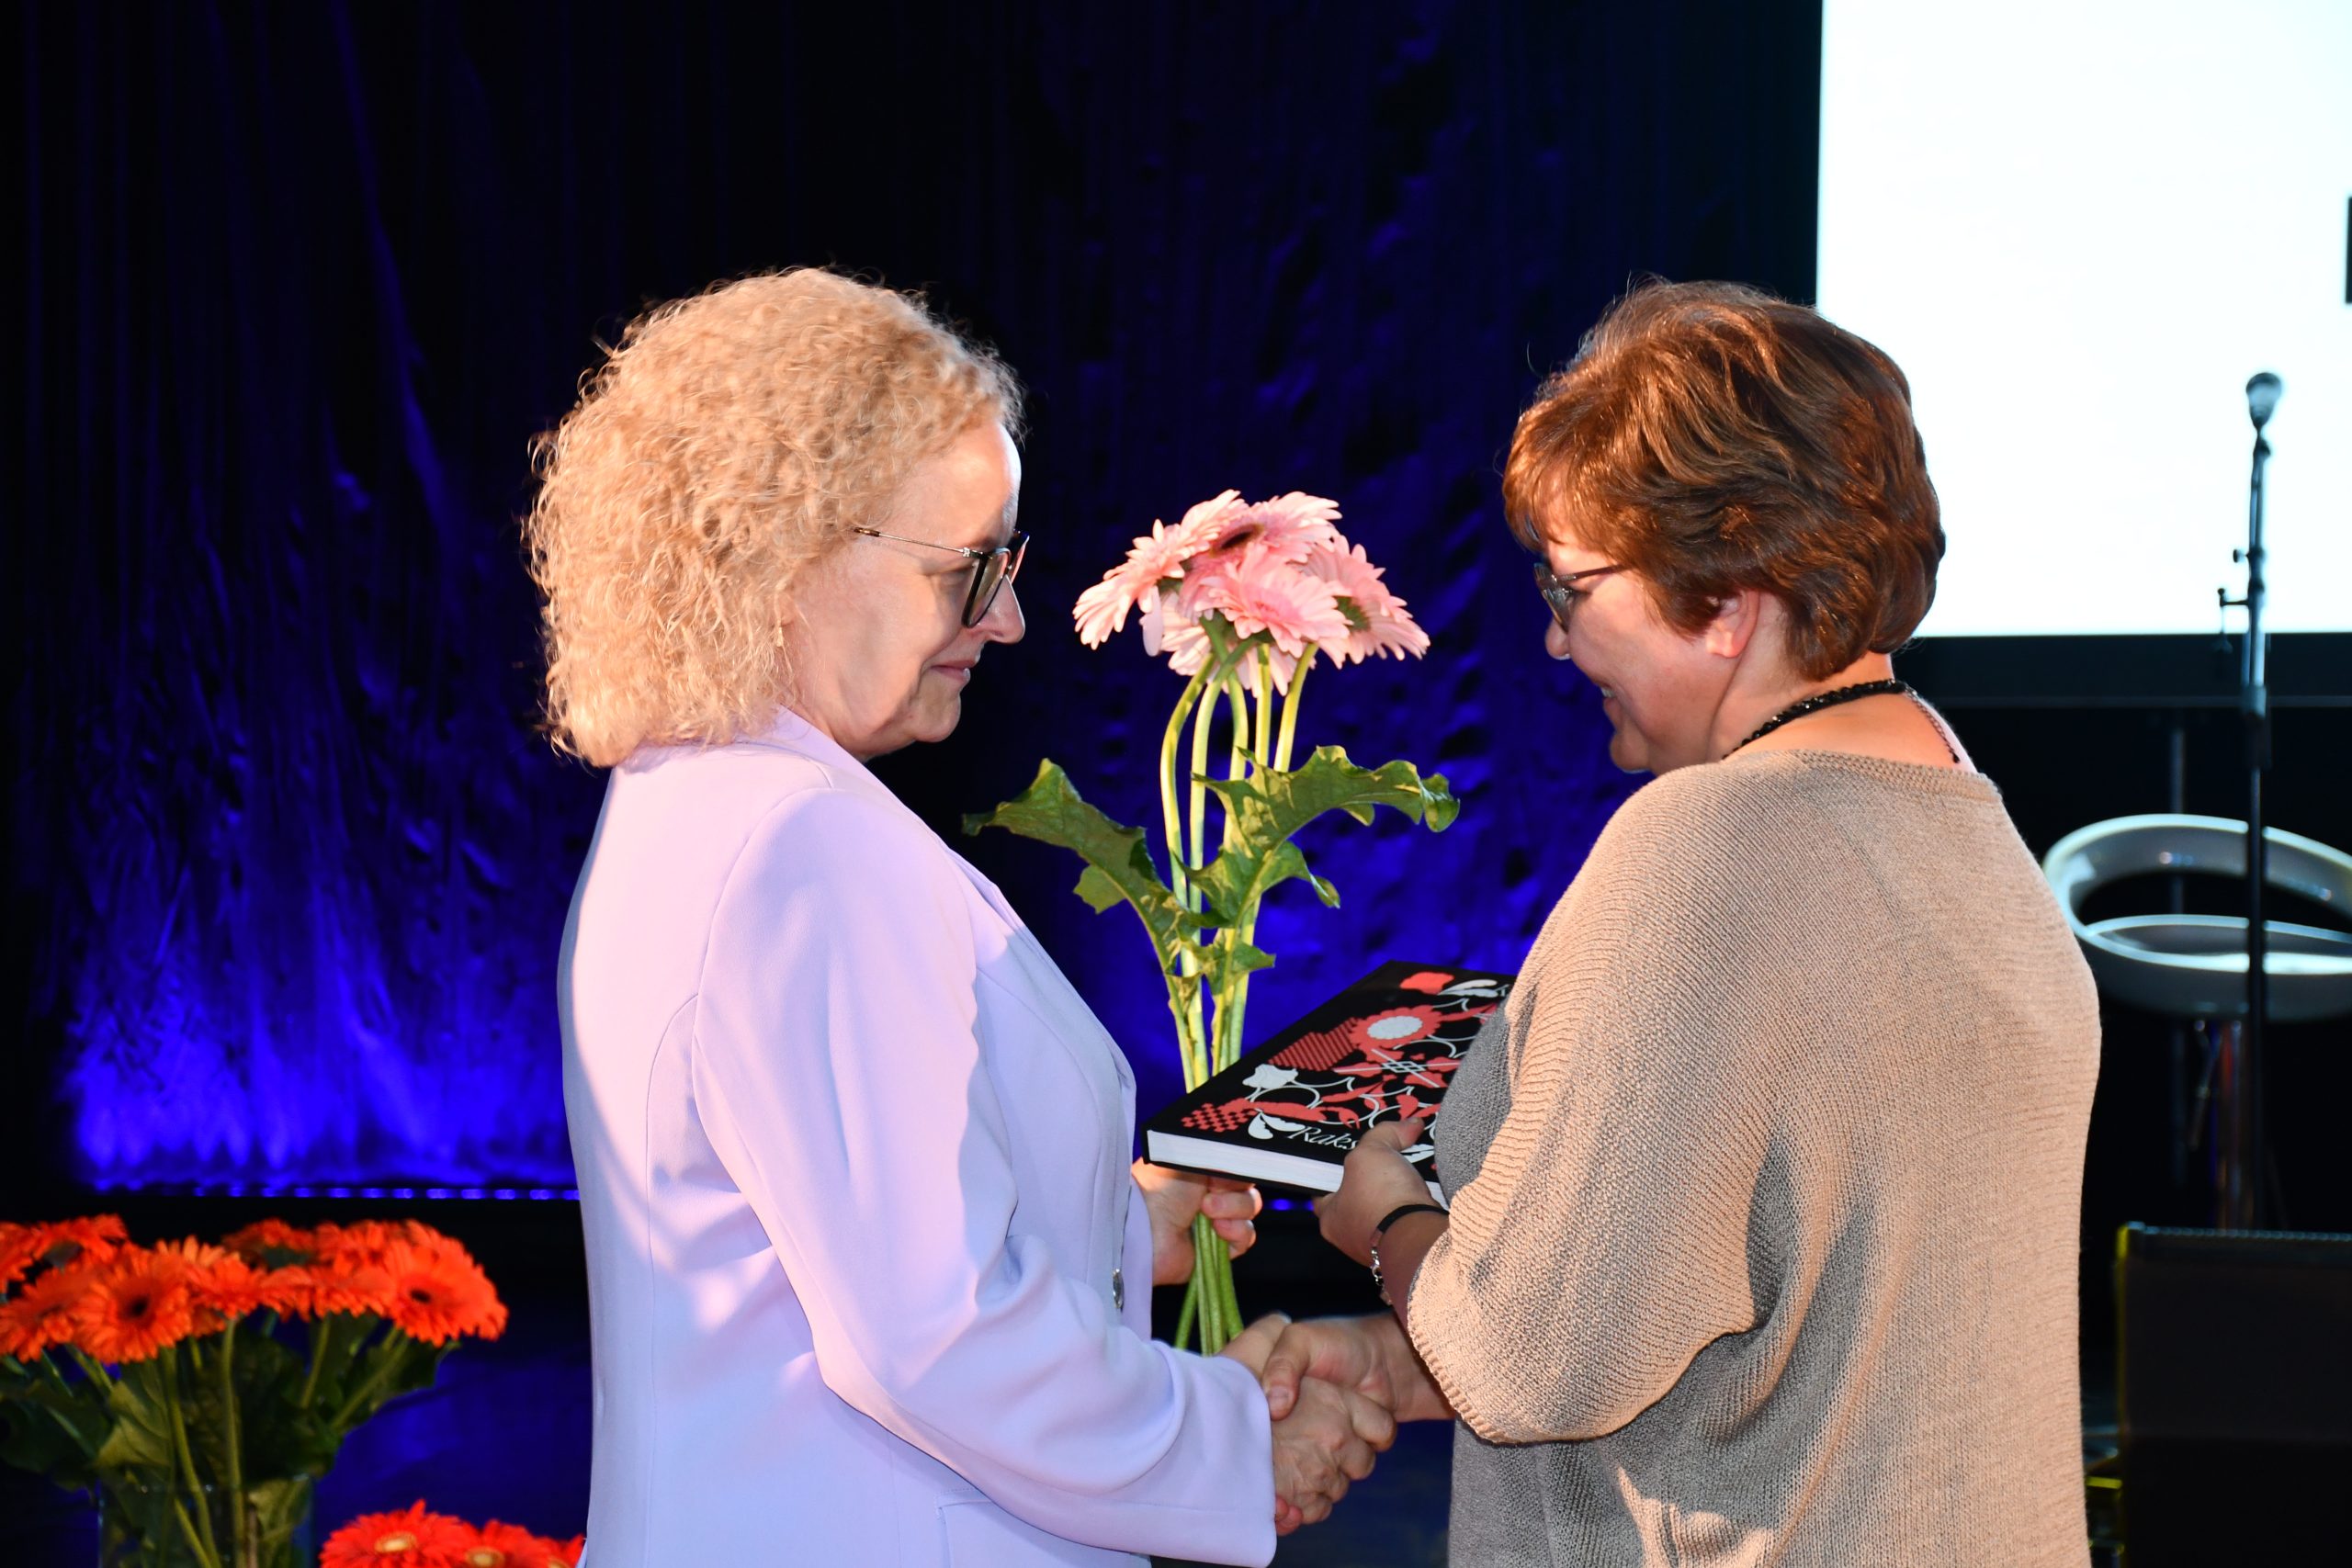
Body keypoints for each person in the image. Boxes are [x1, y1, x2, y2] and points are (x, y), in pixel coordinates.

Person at [527, 269, 1390, 1567]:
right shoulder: (802, 846)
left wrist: (1118, 1223)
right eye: (969, 568)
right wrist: (1232, 1442)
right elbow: (935, 1337)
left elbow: (801, 1239)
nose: (1011, 618)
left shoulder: (682, 798)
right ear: (790, 552)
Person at [1260, 280, 2100, 1565]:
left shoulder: (1708, 845)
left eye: (1574, 587)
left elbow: (1531, 1361)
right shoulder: (1969, 824)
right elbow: (1773, 1346)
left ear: (1728, 597)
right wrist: (1394, 1359)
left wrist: (1381, 1219)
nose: (1556, 643)